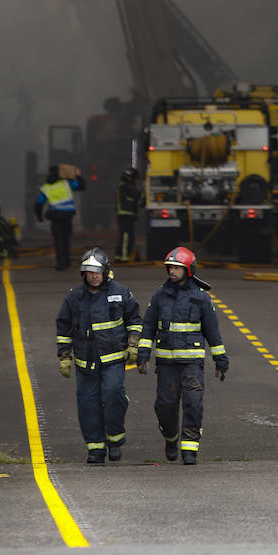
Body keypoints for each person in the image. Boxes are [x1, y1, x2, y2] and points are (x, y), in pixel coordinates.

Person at [136, 245, 228, 465]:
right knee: (165, 406)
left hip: (192, 364)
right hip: (167, 364)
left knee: (193, 403)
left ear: (188, 269)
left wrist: (220, 359)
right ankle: (171, 437)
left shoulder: (201, 298)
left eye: (177, 268)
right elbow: (148, 326)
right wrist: (143, 354)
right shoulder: (160, 295)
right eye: (170, 268)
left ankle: (189, 449)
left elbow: (212, 331)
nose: (172, 272)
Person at [55, 247, 142, 464]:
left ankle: (114, 441)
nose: (94, 276)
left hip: (113, 359)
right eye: (89, 271)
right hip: (86, 362)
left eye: (97, 271)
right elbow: (64, 328)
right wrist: (64, 356)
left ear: (105, 271)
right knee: (87, 404)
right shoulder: (74, 297)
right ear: (83, 273)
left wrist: (133, 345)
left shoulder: (121, 293)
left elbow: (135, 320)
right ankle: (95, 448)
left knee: (113, 395)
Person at [35, 164, 85, 270]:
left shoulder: (46, 187)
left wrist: (39, 217)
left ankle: (60, 264)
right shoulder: (67, 183)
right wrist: (78, 175)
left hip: (55, 217)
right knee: (66, 239)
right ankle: (66, 262)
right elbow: (82, 186)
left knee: (58, 240)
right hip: (67, 216)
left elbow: (38, 204)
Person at [114, 166, 143, 262]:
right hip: (125, 214)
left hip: (126, 214)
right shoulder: (125, 186)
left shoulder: (125, 186)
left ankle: (119, 256)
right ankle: (124, 257)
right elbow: (136, 196)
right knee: (126, 236)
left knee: (125, 235)